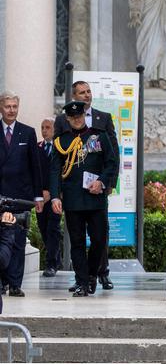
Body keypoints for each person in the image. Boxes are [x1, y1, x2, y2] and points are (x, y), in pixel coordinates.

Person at [49, 100, 119, 297]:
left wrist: (102, 182)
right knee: (77, 242)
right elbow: (54, 170)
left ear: (83, 116)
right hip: (73, 199)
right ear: (68, 119)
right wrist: (55, 197)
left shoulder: (99, 136)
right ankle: (82, 282)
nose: (77, 120)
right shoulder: (61, 141)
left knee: (99, 240)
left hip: (95, 198)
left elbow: (111, 164)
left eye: (79, 116)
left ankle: (91, 275)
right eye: (73, 118)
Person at [0, 91, 43, 297]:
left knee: (18, 241)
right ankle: (2, 282)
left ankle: (15, 283)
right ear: (1, 107)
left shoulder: (27, 132)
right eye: (7, 106)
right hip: (0, 197)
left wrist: (37, 196)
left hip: (20, 197)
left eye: (14, 107)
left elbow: (35, 166)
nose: (11, 110)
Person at [36, 117, 62, 277]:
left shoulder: (61, 148)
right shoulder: (37, 147)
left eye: (48, 127)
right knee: (43, 229)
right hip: (40, 198)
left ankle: (51, 263)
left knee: (53, 229)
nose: (44, 130)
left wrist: (53, 194)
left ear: (54, 129)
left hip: (55, 197)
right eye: (42, 127)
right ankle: (57, 258)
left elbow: (62, 173)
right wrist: (39, 194)